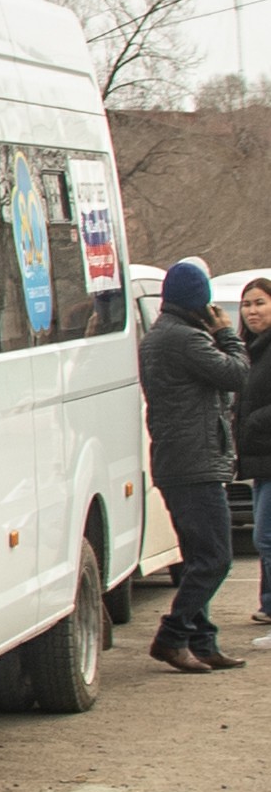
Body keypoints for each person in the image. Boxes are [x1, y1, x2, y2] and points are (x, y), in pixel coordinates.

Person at [141, 259, 248, 671]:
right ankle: (172, 636)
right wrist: (226, 334)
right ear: (198, 302)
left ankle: (202, 642)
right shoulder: (185, 339)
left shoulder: (160, 335)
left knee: (197, 556)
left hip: (178, 461)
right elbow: (237, 375)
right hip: (195, 464)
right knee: (215, 558)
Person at [238, 275, 271, 624]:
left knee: (264, 536)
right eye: (247, 304)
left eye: (260, 302)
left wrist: (254, 421)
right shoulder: (252, 349)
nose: (252, 311)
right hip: (261, 461)